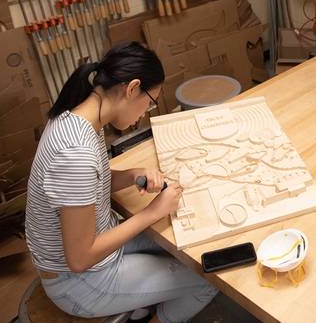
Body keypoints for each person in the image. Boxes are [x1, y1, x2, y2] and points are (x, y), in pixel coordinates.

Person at [25, 42, 217, 322]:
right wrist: (153, 211)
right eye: (149, 103)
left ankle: (144, 302)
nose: (144, 114)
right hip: (79, 283)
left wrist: (130, 175)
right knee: (208, 276)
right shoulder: (75, 154)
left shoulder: (78, 117)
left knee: (188, 245)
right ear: (132, 88)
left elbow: (88, 186)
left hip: (101, 248)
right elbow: (80, 259)